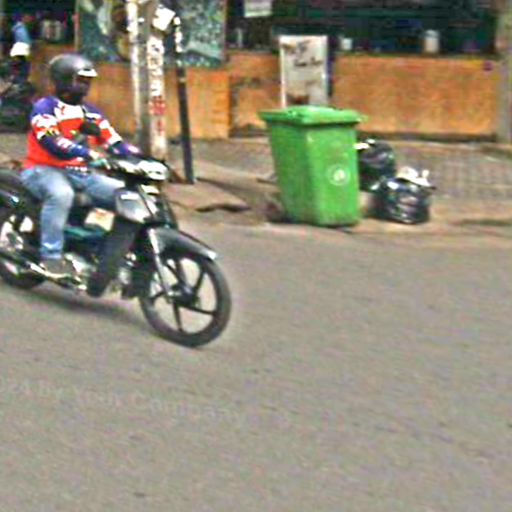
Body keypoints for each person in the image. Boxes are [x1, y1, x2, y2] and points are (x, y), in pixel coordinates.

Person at [20, 52, 140, 278]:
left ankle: (108, 253)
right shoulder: (45, 108)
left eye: (87, 81)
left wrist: (137, 156)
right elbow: (52, 141)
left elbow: (114, 141)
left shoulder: (91, 112)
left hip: (81, 173)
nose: (85, 86)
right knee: (61, 195)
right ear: (64, 80)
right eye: (80, 80)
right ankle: (50, 257)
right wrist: (86, 153)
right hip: (42, 169)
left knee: (125, 196)